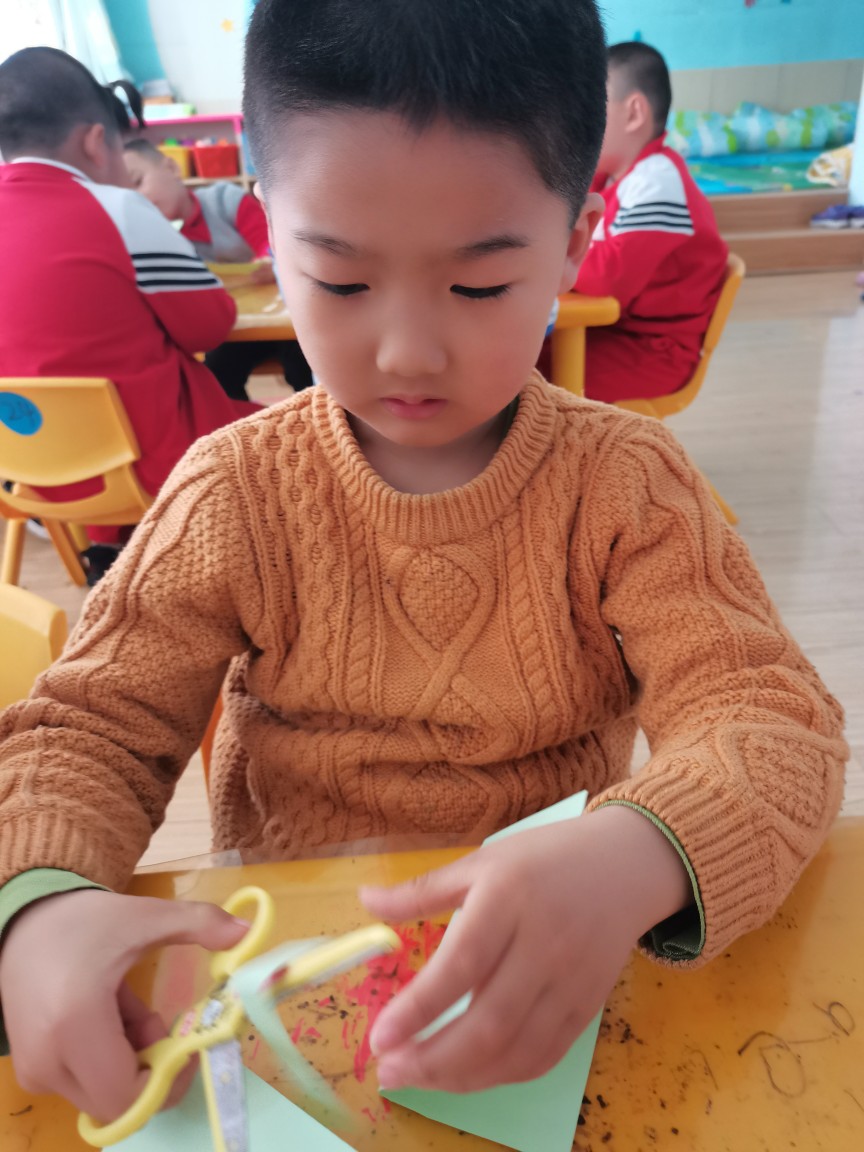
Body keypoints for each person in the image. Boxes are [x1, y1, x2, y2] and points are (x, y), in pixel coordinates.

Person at [0, 0, 847, 1125]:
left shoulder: (625, 484)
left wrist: (643, 849)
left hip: (557, 978)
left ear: (575, 242)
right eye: (342, 282)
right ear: (268, 232)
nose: (406, 351)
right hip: (296, 982)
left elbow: (774, 722)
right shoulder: (236, 490)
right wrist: (38, 904)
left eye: (482, 286)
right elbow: (84, 729)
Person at [0, 48, 258, 582]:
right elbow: (209, 326)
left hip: (30, 472)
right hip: (156, 466)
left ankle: (111, 552)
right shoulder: (115, 208)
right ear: (96, 142)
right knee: (295, 427)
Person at [576, 42, 729, 404]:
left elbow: (607, 279)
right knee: (515, 359)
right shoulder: (612, 179)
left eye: (590, 109)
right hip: (613, 332)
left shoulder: (657, 181)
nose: (578, 124)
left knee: (525, 375)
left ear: (634, 113)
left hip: (654, 351)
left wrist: (544, 256)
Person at [123, 138, 313, 399]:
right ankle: (246, 422)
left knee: (301, 367)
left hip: (283, 317)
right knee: (216, 373)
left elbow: (269, 243)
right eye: (127, 194)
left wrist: (269, 261)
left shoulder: (225, 200)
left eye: (138, 182)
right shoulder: (158, 237)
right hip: (236, 327)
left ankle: (318, 419)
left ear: (171, 168)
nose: (138, 198)